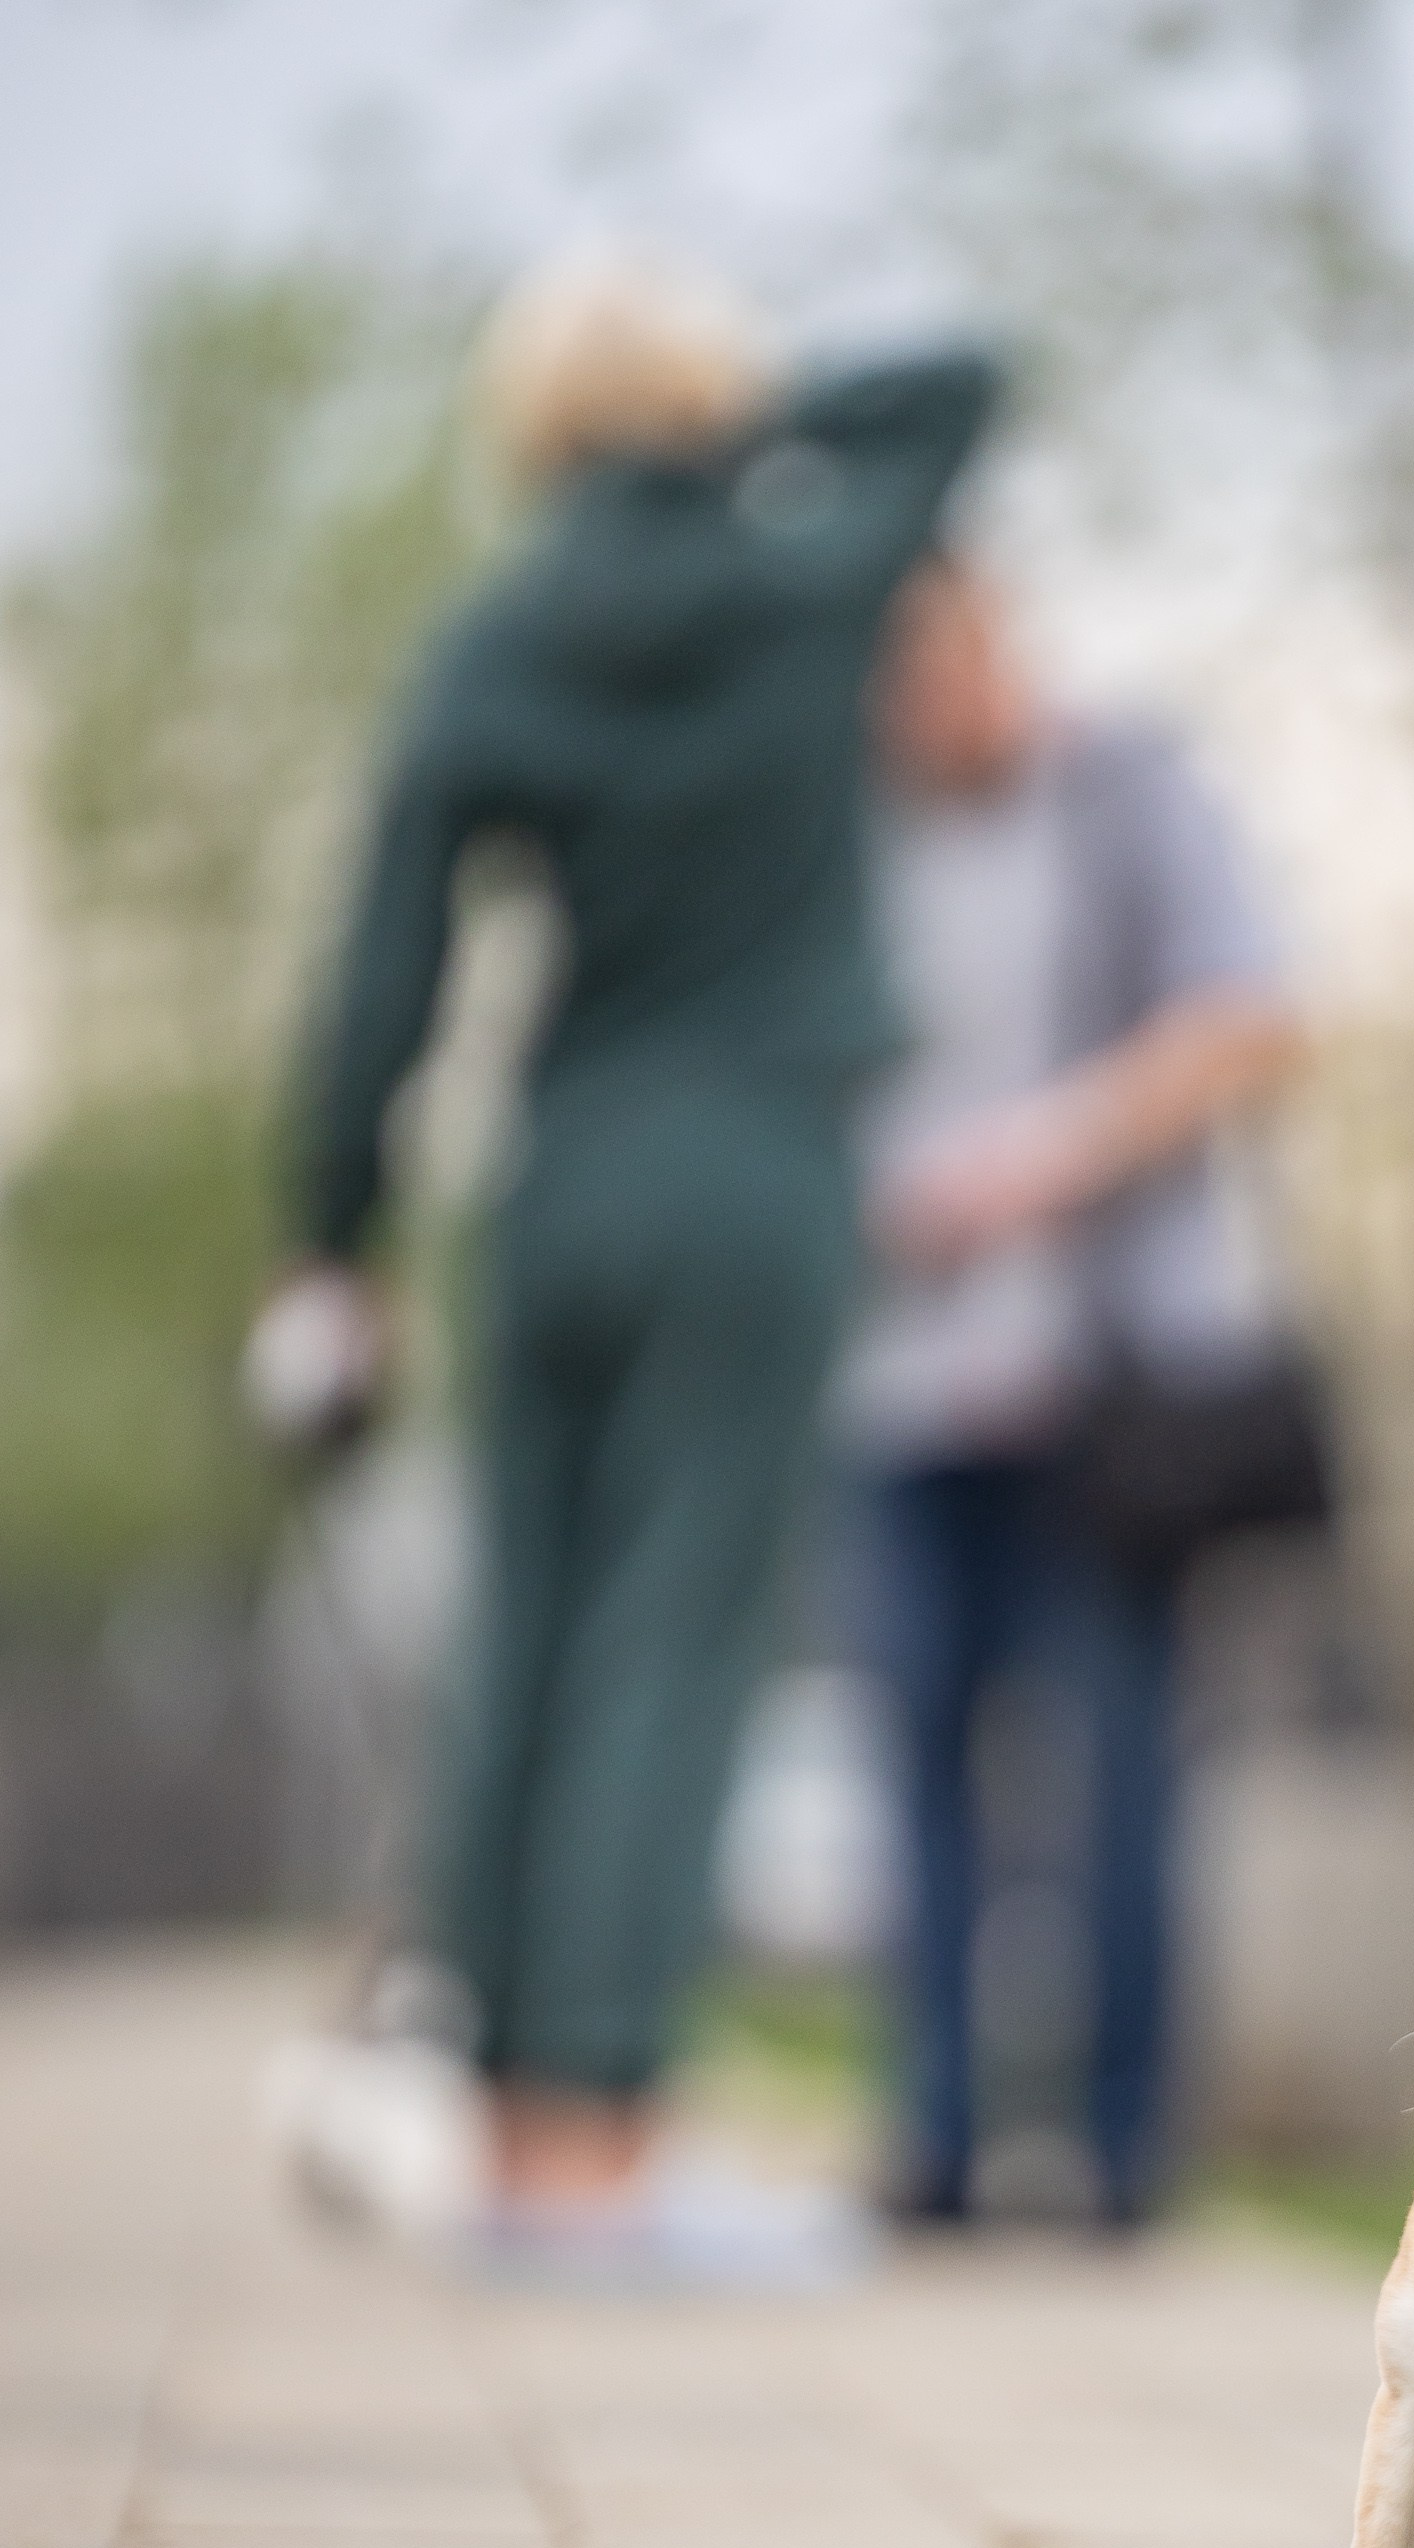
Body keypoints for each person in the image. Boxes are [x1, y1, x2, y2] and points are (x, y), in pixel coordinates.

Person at [252, 252, 997, 2275]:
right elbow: (954, 376)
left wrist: (330, 1241)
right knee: (678, 1637)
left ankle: (507, 2140)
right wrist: (744, 431)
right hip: (752, 1169)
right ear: (701, 403)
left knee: (532, 1640)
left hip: (555, 1176)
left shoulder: (496, 637)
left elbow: (385, 967)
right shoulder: (800, 574)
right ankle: (597, 2161)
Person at [842, 556, 1302, 2226]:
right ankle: (940, 2141)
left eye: (930, 666)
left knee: (1114, 1769)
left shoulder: (1124, 789)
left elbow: (1253, 1016)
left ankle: (1119, 2158)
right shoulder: (847, 833)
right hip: (889, 1383)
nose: (911, 711)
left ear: (988, 638)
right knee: (913, 1767)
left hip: (1101, 1385)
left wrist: (1046, 1156)